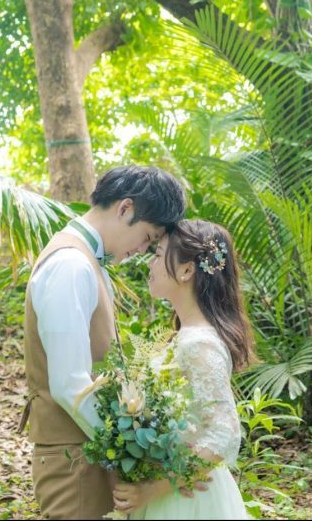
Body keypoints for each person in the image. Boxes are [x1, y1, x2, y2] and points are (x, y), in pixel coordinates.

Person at [19, 165, 186, 520]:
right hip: (75, 462)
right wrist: (133, 451)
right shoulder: (71, 265)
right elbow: (69, 385)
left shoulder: (87, 263)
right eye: (147, 236)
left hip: (88, 453)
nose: (142, 249)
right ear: (125, 208)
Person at [113, 219, 256, 520]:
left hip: (186, 502)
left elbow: (224, 433)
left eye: (157, 254)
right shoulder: (186, 335)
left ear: (187, 270)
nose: (149, 263)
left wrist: (155, 489)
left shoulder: (199, 343)